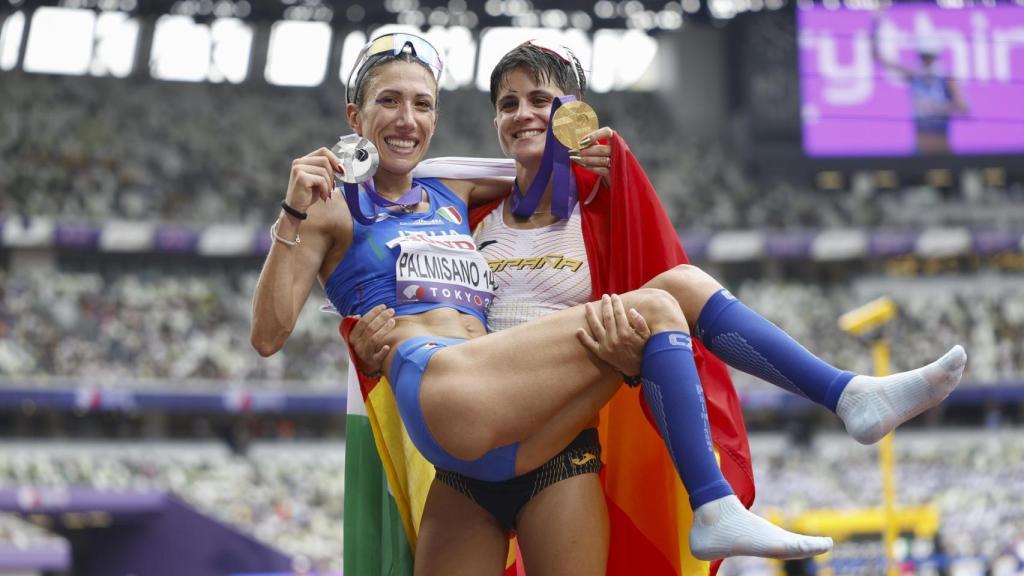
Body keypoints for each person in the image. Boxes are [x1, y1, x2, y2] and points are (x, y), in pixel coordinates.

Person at [251, 33, 964, 570]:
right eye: (389, 102)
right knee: (664, 305)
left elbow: (543, 160)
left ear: (437, 117)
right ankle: (721, 499)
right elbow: (268, 335)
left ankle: (846, 397)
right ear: (355, 114)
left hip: (539, 438)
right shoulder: (331, 207)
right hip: (444, 393)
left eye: (422, 104)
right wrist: (290, 213)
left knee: (676, 289)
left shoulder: (453, 189)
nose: (406, 119)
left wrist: (600, 151)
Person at [872, 17, 969, 155]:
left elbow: (965, 109)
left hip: (943, 150)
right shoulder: (914, 76)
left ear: (935, 56)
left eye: (929, 56)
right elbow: (878, 57)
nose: (925, 60)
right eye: (923, 56)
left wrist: (937, 107)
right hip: (920, 150)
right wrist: (875, 24)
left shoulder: (946, 79)